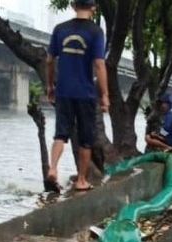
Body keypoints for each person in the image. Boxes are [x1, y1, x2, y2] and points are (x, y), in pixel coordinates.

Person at [46, 0, 110, 193]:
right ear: (93, 8)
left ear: (73, 6)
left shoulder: (60, 29)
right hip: (85, 93)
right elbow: (99, 64)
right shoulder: (96, 32)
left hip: (64, 91)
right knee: (85, 139)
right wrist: (105, 94)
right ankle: (81, 180)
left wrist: (50, 85)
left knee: (60, 134)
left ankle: (53, 168)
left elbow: (50, 60)